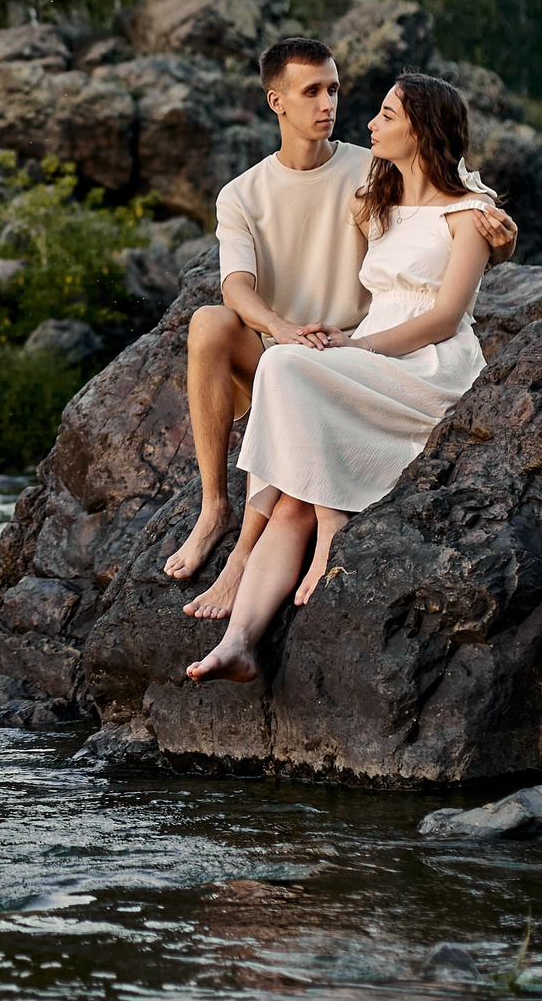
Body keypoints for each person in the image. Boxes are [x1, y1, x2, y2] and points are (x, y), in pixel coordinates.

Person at [160, 40, 513, 616]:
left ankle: (259, 553)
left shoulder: (370, 169)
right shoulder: (242, 194)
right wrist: (282, 327)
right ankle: (212, 510)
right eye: (312, 92)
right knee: (208, 323)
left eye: (334, 89)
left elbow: (443, 208)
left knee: (294, 376)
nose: (329, 104)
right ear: (276, 101)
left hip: (359, 348)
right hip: (293, 346)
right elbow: (235, 287)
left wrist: (499, 237)